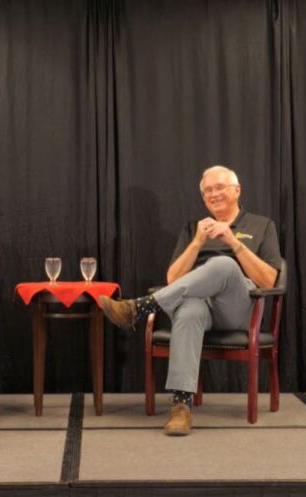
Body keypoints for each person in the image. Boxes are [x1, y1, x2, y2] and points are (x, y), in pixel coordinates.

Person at [100, 165, 281, 436]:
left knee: (223, 265)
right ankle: (181, 407)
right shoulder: (193, 228)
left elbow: (268, 281)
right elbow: (174, 279)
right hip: (202, 305)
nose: (213, 194)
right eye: (207, 190)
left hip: (238, 308)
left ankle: (141, 306)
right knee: (188, 311)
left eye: (219, 187)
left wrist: (233, 242)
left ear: (236, 190)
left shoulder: (261, 225)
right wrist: (197, 242)